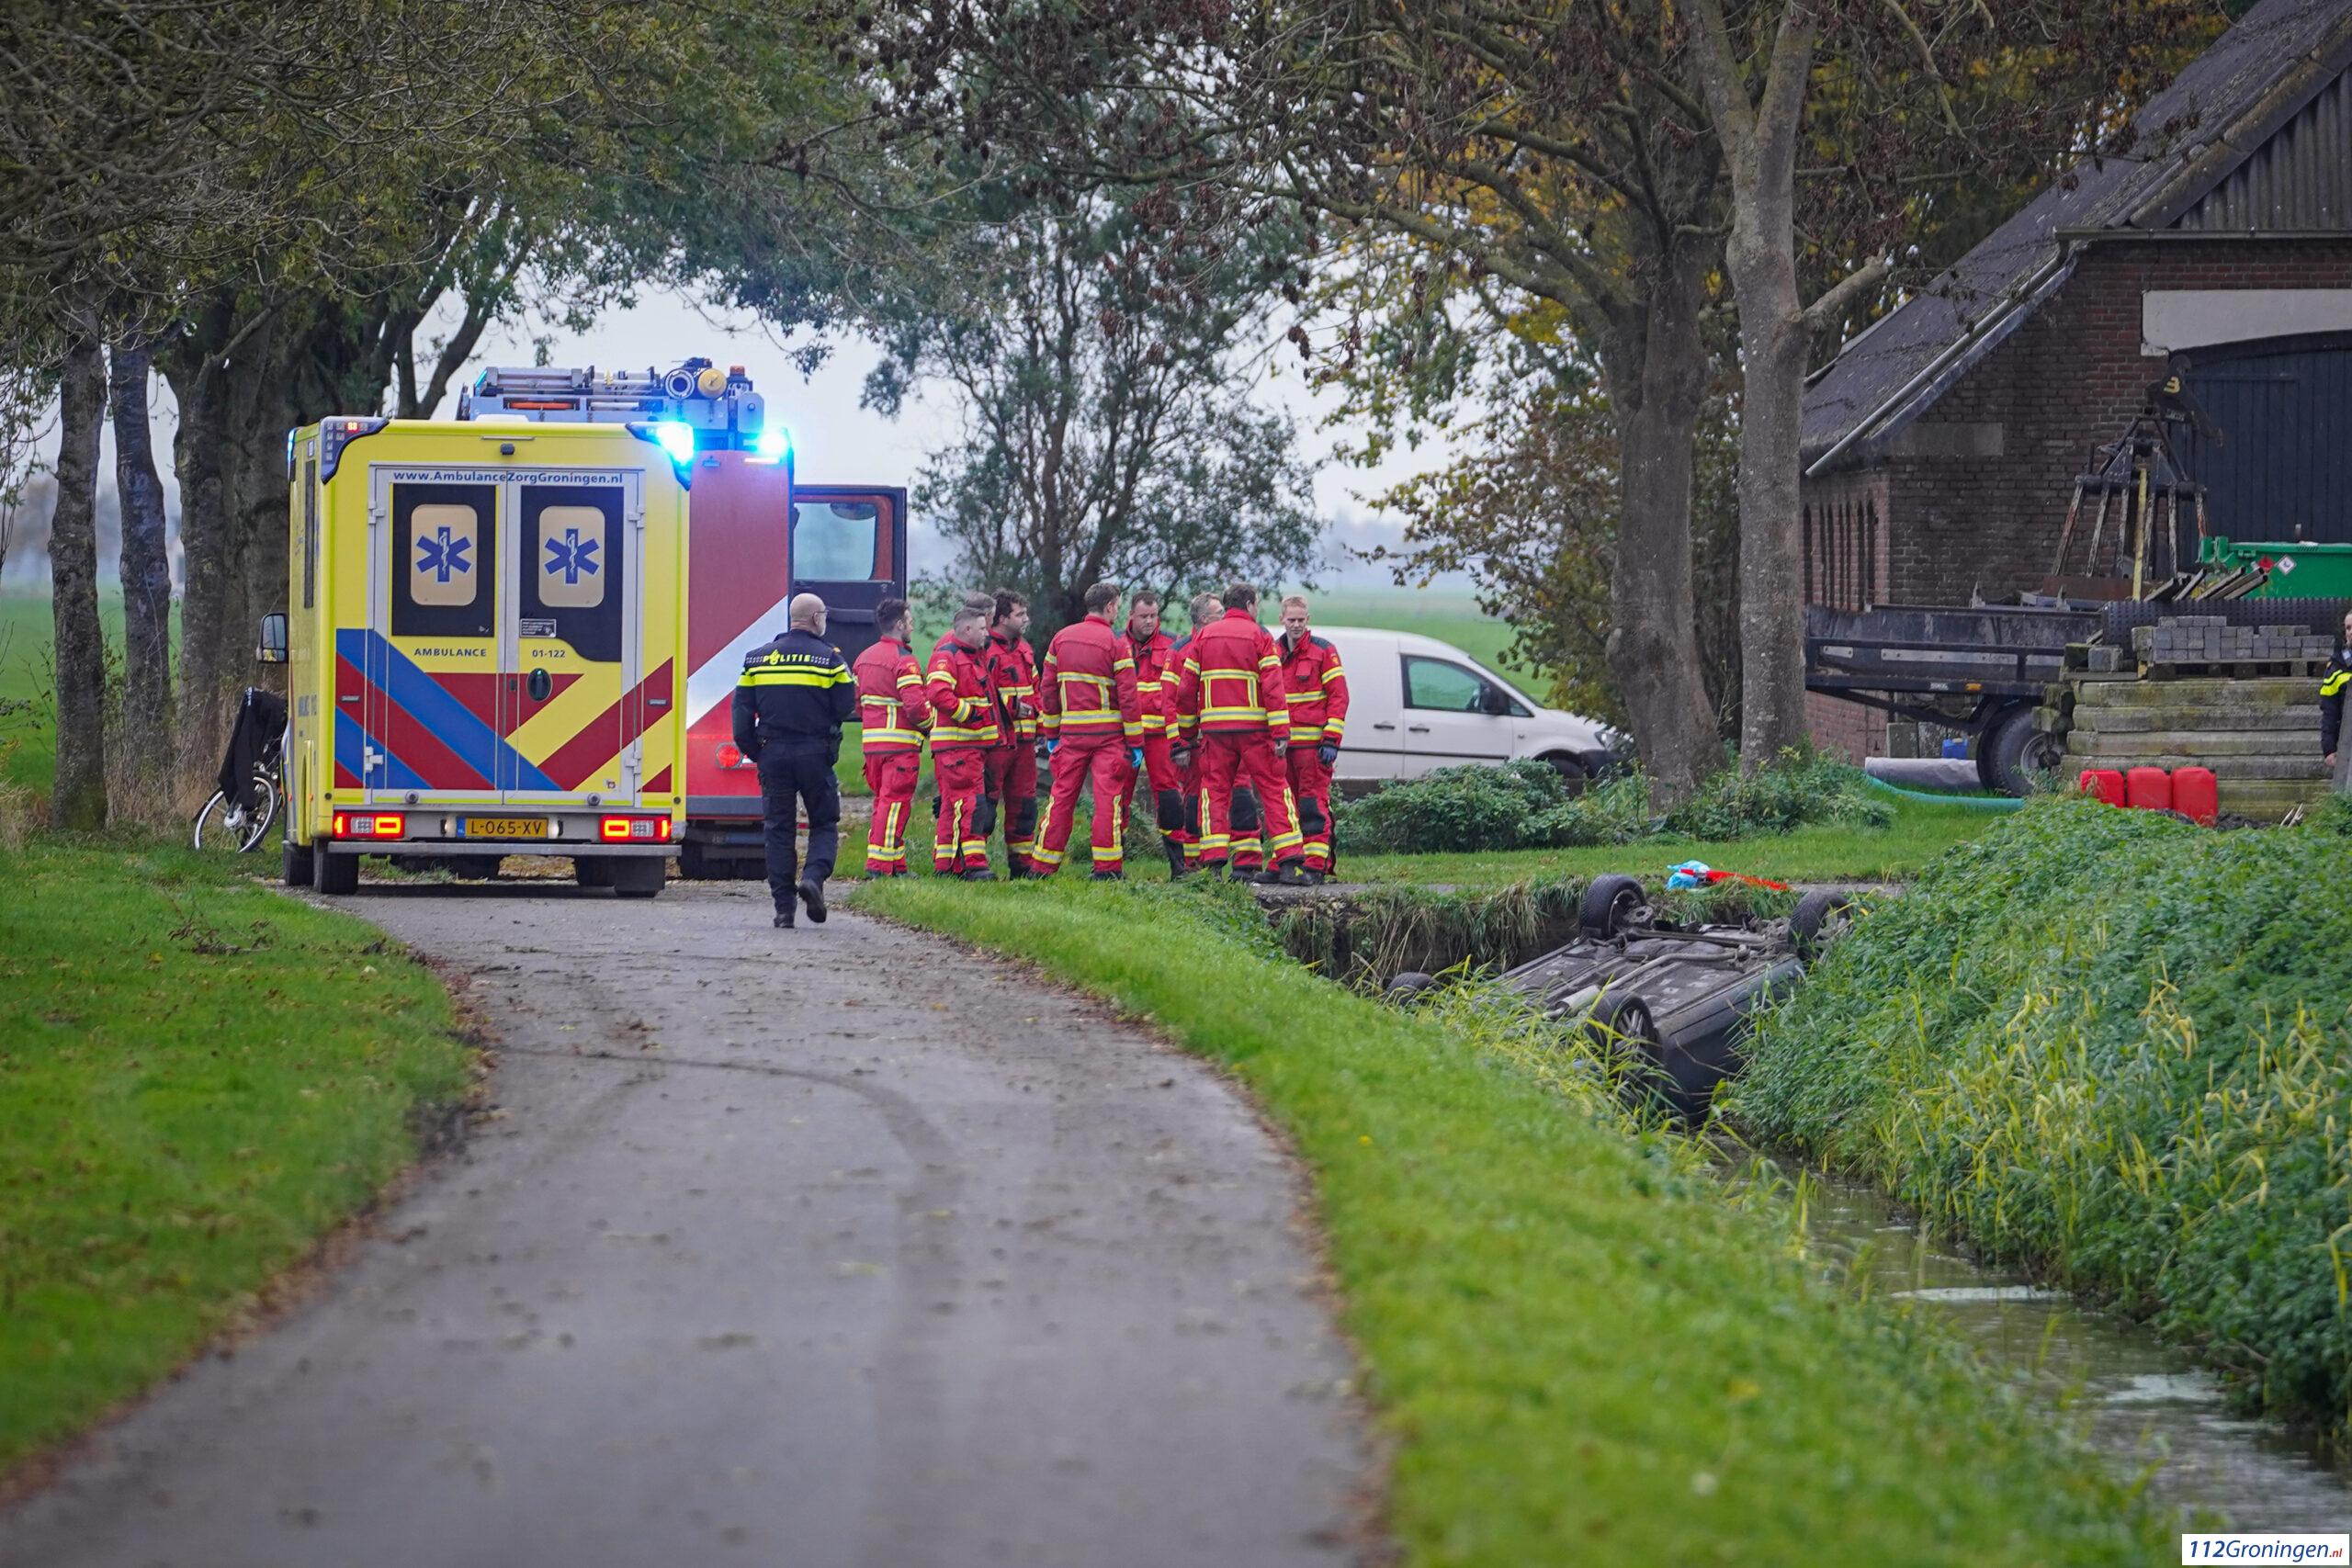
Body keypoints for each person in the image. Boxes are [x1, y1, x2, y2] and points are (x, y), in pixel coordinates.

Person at [732, 592, 856, 928]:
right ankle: (813, 878)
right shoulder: (830, 660)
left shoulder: (755, 660)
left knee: (778, 830)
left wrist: (757, 752)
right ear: (817, 619)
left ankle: (783, 910)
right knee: (824, 823)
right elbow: (846, 706)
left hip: (772, 752)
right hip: (815, 754)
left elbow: (741, 717)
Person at [1172, 580, 1307, 886]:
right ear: (1249, 605)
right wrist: (1281, 733)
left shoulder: (1204, 636)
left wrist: (1187, 732)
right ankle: (1288, 864)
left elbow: (1185, 690)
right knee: (1274, 789)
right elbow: (1274, 688)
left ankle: (1214, 865)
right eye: (1256, 605)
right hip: (1255, 731)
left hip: (1215, 733)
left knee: (1215, 793)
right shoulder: (1260, 636)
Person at [1033, 581, 1145, 879]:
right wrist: (1135, 743)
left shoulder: (1060, 639)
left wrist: (1052, 733)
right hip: (1108, 737)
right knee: (1108, 800)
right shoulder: (1116, 643)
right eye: (1117, 607)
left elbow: (1048, 689)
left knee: (1061, 798)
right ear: (1109, 607)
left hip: (1071, 735)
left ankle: (1042, 865)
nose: (1117, 613)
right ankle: (1107, 869)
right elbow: (1129, 696)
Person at [850, 597, 929, 877]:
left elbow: (859, 705)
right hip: (900, 747)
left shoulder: (863, 658)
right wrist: (931, 727)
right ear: (899, 624)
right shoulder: (904, 661)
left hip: (873, 747)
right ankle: (880, 867)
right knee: (895, 804)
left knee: (884, 804)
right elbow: (916, 707)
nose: (913, 625)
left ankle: (896, 865)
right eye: (910, 621)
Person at [1275, 594, 1349, 883]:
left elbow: (1339, 697)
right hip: (1284, 748)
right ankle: (1283, 863)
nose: (1296, 625)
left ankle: (1316, 866)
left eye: (1301, 620)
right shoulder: (1273, 651)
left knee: (1312, 805)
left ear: (1309, 620)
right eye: (1291, 620)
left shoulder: (1323, 651)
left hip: (1314, 749)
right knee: (1285, 806)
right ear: (1282, 618)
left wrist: (1331, 739)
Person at [927, 593, 1001, 879]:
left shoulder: (974, 656)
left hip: (968, 746)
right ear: (968, 630)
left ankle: (945, 865)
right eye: (983, 629)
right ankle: (974, 865)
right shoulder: (948, 656)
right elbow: (937, 694)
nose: (987, 633)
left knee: (951, 805)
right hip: (958, 746)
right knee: (969, 804)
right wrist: (967, 714)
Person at [1120, 591, 1189, 877]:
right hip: (1125, 734)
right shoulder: (1116, 643)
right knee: (1118, 796)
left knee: (1170, 796)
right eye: (1143, 616)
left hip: (1161, 734)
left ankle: (1180, 867)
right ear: (1131, 617)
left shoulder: (1172, 643)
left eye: (1153, 616)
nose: (1149, 621)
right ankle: (1111, 864)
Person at [983, 590, 1043, 876]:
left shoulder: (1024, 649)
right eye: (1020, 614)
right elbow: (981, 693)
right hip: (996, 743)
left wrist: (1041, 726)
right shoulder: (986, 650)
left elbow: (1037, 690)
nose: (1026, 619)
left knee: (1024, 804)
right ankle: (972, 863)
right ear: (1002, 617)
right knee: (985, 803)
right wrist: (1011, 708)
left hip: (1025, 742)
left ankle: (1022, 865)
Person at [2323, 607, 2352, 772]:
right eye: (2348, 628)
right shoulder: (2336, 668)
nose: (2351, 632)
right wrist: (2329, 749)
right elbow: (2329, 713)